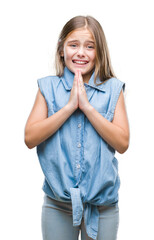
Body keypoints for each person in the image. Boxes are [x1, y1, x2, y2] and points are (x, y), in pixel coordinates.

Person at [24, 15, 129, 240]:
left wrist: (88, 108)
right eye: (74, 45)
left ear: (99, 52)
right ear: (62, 49)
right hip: (58, 205)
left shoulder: (113, 89)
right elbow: (30, 137)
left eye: (89, 46)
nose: (81, 52)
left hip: (102, 208)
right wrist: (70, 107)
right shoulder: (47, 87)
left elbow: (122, 143)